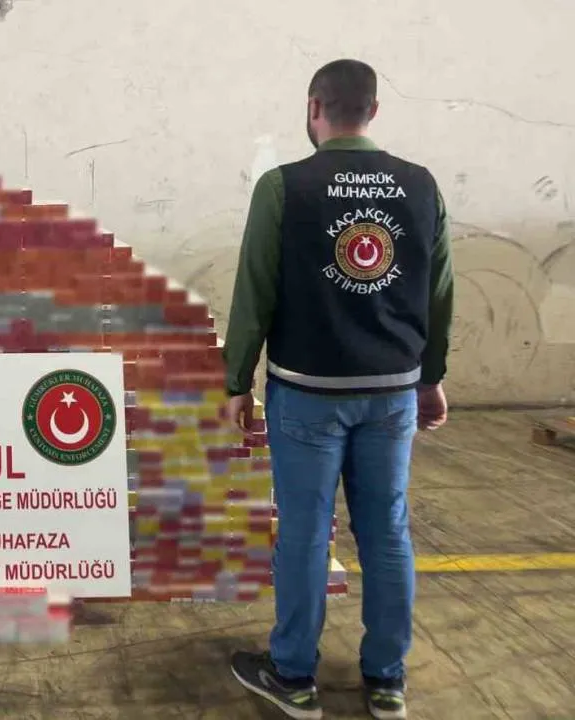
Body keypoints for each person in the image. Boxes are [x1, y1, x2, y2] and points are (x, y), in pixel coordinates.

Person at [222, 59, 454, 720]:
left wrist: (236, 379)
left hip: (307, 392)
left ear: (314, 107)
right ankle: (386, 682)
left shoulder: (283, 187)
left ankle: (294, 677)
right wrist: (432, 377)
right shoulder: (421, 185)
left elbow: (254, 292)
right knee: (386, 531)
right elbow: (440, 292)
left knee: (303, 530)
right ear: (373, 111)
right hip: (392, 392)